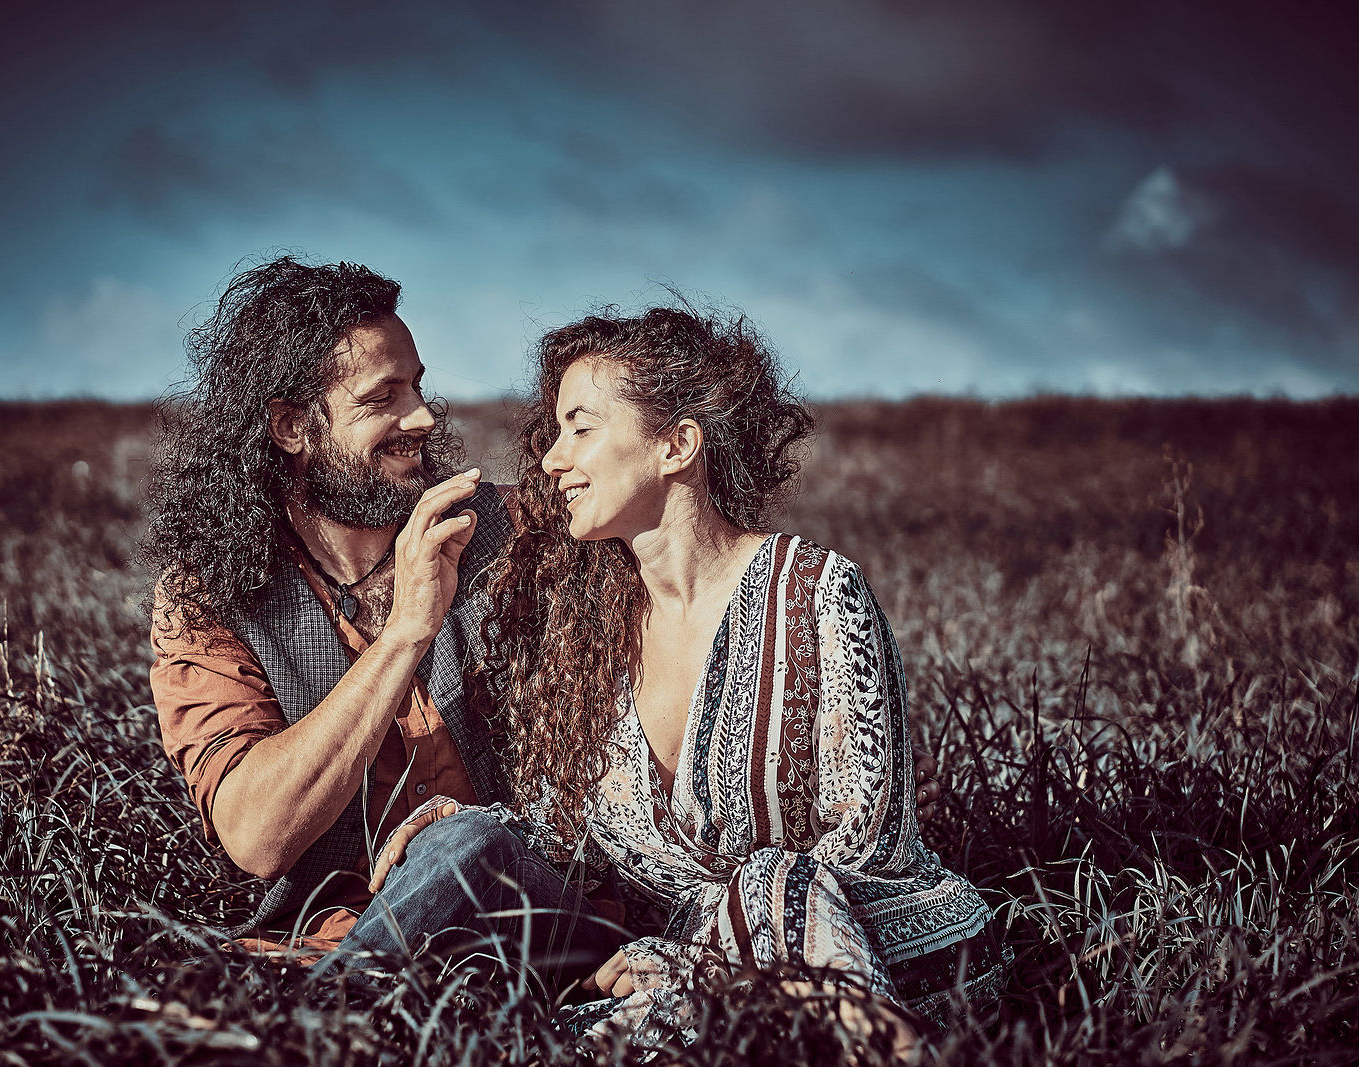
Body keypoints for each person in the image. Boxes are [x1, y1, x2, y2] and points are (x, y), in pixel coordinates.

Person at [141, 255, 945, 983]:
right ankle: (336, 992)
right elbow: (257, 835)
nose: (422, 418)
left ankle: (308, 1018)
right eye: (382, 398)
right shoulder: (209, 598)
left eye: (418, 386)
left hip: (552, 911)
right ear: (291, 427)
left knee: (465, 848)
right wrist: (407, 630)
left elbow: (676, 543)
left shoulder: (514, 534)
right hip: (333, 935)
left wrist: (797, 589)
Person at [372, 305, 1007, 1048]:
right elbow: (578, 841)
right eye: (554, 433)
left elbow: (870, 849)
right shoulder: (586, 628)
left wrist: (702, 953)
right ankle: (310, 1022)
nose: (551, 462)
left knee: (773, 877)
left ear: (676, 445)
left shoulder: (816, 591)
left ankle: (875, 1039)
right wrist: (475, 826)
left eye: (581, 429)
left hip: (886, 948)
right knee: (569, 1020)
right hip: (683, 969)